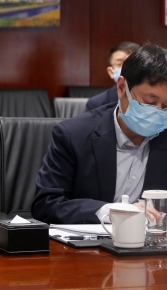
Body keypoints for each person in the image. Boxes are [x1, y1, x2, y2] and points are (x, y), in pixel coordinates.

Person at [33, 44, 167, 224]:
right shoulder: (73, 135)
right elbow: (46, 204)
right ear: (121, 88)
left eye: (166, 106)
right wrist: (112, 211)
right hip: (90, 239)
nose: (158, 112)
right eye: (149, 102)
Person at [85, 41, 139, 112]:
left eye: (132, 63)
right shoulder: (96, 104)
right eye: (119, 63)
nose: (126, 68)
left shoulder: (152, 100)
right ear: (111, 72)